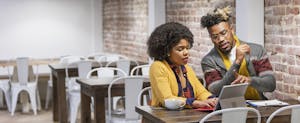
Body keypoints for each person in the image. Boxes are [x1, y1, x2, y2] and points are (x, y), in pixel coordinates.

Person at [200, 6, 276, 100]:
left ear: (232, 30)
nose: (221, 39)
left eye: (224, 33)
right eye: (215, 37)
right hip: (227, 108)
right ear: (211, 38)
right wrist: (237, 61)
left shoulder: (256, 50)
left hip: (258, 106)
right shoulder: (209, 60)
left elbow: (270, 85)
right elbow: (216, 90)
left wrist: (249, 80)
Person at [147, 22, 217, 109]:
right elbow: (167, 99)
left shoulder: (187, 69)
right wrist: (195, 103)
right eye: (180, 49)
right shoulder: (158, 67)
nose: (186, 52)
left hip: (186, 116)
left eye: (187, 48)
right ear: (167, 51)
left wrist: (213, 99)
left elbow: (201, 92)